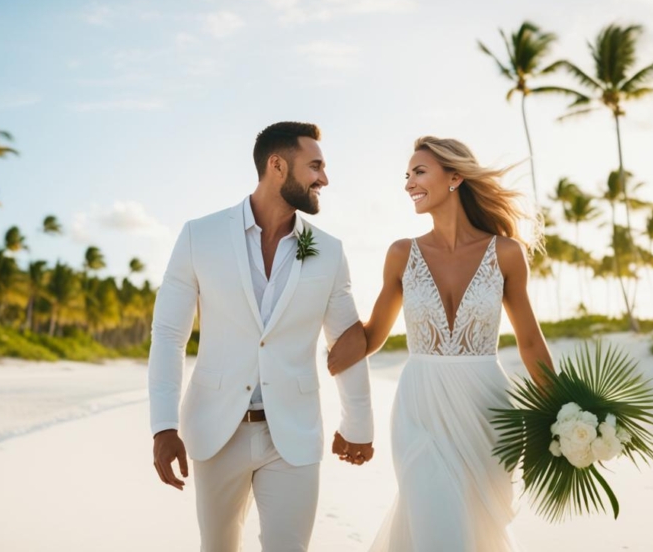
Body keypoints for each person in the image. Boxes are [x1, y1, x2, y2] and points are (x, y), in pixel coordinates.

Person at [148, 121, 375, 552]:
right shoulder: (200, 236)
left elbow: (346, 342)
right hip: (216, 431)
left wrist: (358, 424)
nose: (324, 178)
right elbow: (168, 336)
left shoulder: (329, 251)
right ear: (277, 166)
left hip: (293, 434)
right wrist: (163, 427)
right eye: (315, 166)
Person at [327, 136, 556, 551]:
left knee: (477, 532)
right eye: (407, 174)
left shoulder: (506, 253)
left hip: (489, 413)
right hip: (420, 411)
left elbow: (530, 343)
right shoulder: (401, 254)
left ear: (455, 177)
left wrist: (564, 408)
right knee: (436, 523)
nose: (408, 183)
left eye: (418, 172)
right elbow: (373, 335)